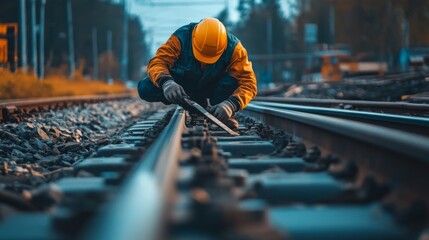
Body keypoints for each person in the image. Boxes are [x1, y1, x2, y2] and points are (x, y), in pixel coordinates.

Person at [137, 17, 257, 129]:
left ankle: (220, 113)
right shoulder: (181, 38)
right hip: (183, 86)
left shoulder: (235, 49)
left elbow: (249, 83)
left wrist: (231, 104)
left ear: (223, 46)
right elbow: (158, 62)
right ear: (193, 38)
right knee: (145, 88)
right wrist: (166, 82)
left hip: (212, 86)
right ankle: (194, 104)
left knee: (232, 80)